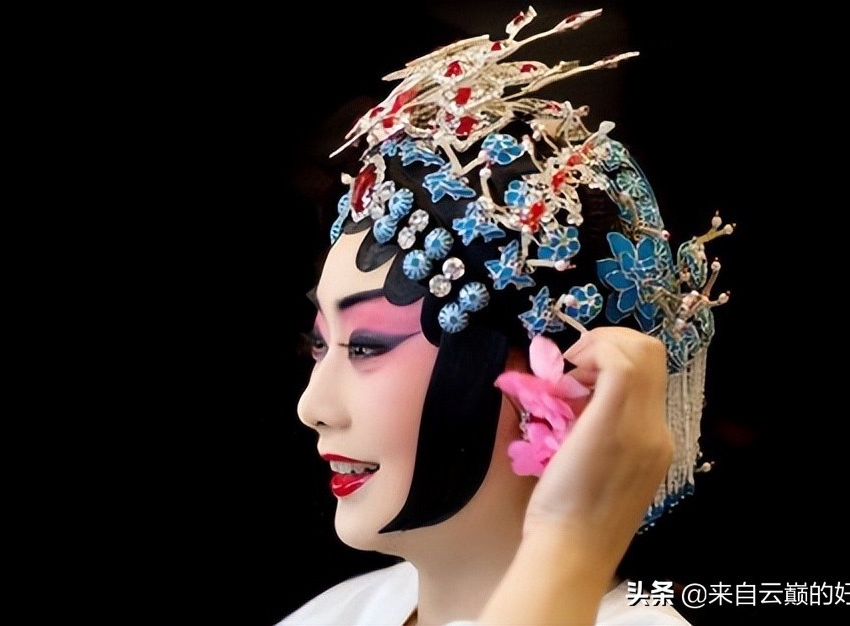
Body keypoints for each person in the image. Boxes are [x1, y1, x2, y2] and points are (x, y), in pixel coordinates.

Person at [281, 8, 732, 625]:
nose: (312, 406)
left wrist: (572, 544)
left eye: (366, 346)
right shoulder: (338, 614)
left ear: (565, 380)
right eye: (319, 344)